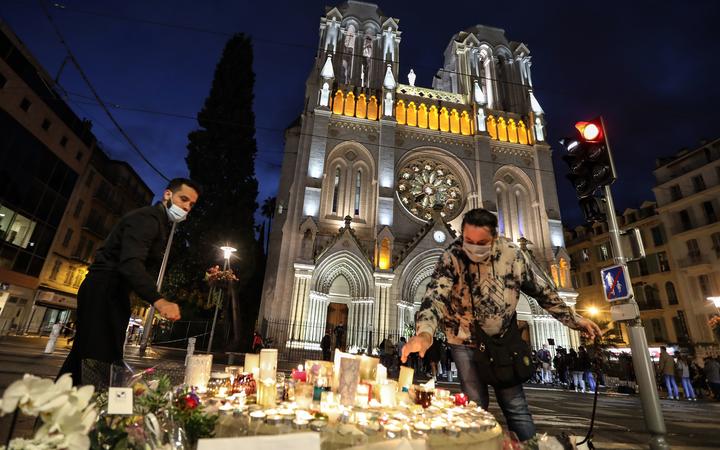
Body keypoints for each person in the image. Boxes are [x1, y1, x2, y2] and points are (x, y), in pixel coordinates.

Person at [401, 208, 601, 442]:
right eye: (468, 241)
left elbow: (543, 292)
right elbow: (435, 296)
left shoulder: (513, 255)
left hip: (503, 342)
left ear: (495, 237)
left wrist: (575, 320)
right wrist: (425, 332)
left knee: (515, 405)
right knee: (474, 406)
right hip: (464, 341)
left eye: (482, 242)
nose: (474, 247)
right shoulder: (452, 255)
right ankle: (477, 446)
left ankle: (530, 447)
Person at [58, 178, 200, 386]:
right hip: (105, 288)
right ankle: (92, 411)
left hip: (111, 290)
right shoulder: (147, 220)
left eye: (191, 204)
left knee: (84, 357)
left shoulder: (157, 222)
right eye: (184, 199)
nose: (187, 207)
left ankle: (53, 411)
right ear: (168, 195)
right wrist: (159, 301)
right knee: (99, 359)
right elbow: (131, 264)